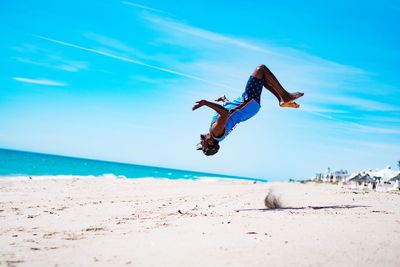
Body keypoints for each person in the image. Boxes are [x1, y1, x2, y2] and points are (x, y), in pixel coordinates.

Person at [192, 64, 304, 156]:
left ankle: (282, 100)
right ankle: (285, 96)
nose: (200, 141)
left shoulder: (216, 133)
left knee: (263, 78)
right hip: (248, 104)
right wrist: (205, 103)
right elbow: (224, 113)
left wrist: (224, 99)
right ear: (211, 142)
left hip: (248, 106)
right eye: (203, 144)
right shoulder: (215, 132)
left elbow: (230, 112)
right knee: (261, 69)